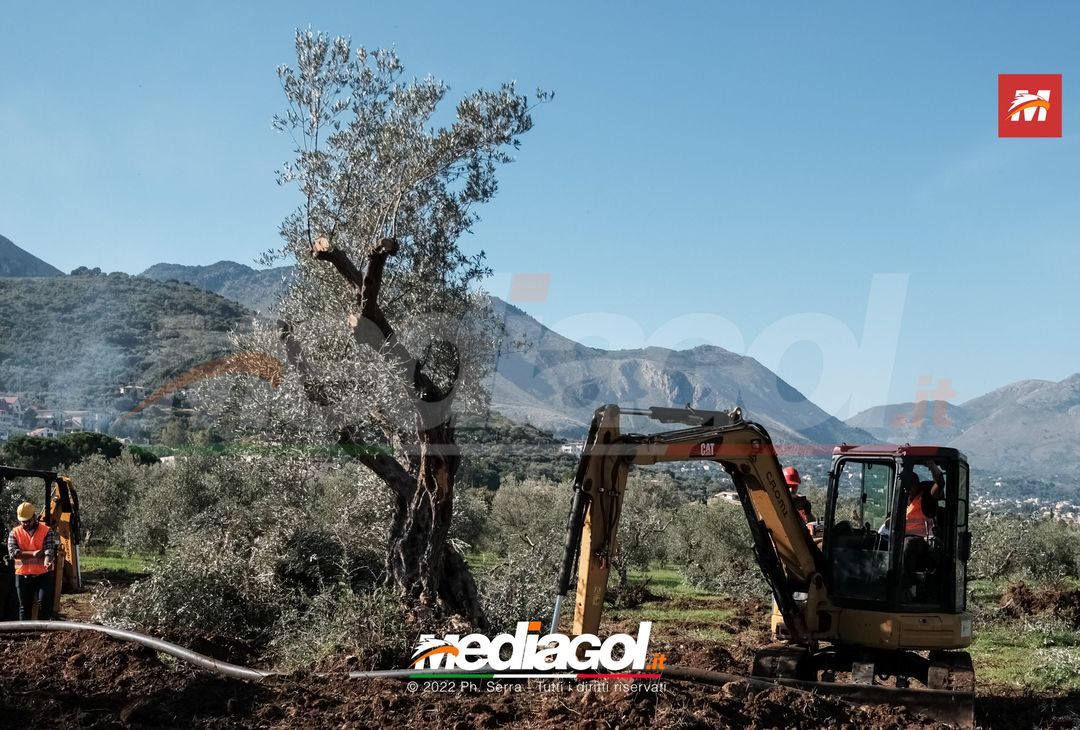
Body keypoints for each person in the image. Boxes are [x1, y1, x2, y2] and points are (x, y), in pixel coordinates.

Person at [7, 502, 58, 621]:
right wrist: (33, 554)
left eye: (27, 521)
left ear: (34, 517)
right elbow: (13, 553)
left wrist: (47, 561)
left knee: (44, 603)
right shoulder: (14, 533)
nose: (25, 524)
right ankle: (24, 634)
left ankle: (45, 632)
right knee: (24, 606)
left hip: (43, 574)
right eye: (22, 521)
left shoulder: (47, 531)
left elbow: (49, 550)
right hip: (23, 574)